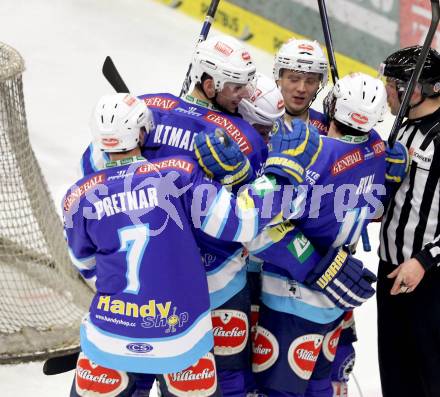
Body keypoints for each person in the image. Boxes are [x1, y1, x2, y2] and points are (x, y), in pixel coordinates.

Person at [245, 72, 388, 397]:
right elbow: (377, 207)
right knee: (319, 385)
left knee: (278, 391)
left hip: (293, 296)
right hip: (334, 299)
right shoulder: (378, 149)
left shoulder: (313, 154)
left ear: (332, 104)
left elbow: (256, 226)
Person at [272, 37, 358, 397]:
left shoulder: (334, 127)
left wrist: (389, 158)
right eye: (293, 77)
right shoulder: (262, 120)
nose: (302, 88)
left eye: (310, 80)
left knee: (326, 369)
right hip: (270, 264)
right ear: (278, 77)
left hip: (326, 264)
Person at [377, 45, 440, 397]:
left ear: (415, 90)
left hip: (429, 279)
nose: (386, 91)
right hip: (391, 270)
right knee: (395, 375)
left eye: (392, 83)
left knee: (429, 379)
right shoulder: (401, 128)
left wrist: (424, 260)